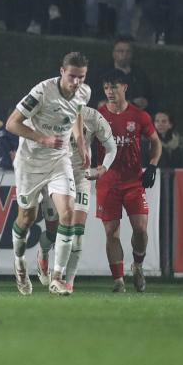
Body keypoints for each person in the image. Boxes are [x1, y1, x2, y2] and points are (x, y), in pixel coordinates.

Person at [5, 51, 91, 296]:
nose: (76, 82)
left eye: (81, 77)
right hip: (30, 163)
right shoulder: (41, 92)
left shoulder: (84, 91)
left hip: (58, 160)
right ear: (62, 71)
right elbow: (12, 123)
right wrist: (42, 138)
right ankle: (20, 262)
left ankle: (57, 278)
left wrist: (81, 142)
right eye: (72, 76)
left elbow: (76, 111)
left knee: (67, 213)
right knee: (27, 219)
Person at [35, 106, 117, 292]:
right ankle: (44, 251)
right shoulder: (51, 111)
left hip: (81, 178)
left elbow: (111, 147)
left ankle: (67, 282)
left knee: (77, 236)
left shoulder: (93, 117)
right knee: (53, 233)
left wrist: (102, 169)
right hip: (54, 176)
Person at [96, 70, 162, 293]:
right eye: (106, 87)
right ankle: (118, 281)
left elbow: (156, 142)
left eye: (114, 87)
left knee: (141, 229)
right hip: (107, 181)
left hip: (133, 181)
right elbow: (82, 139)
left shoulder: (139, 116)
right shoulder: (98, 115)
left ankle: (139, 265)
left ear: (124, 87)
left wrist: (152, 165)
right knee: (111, 232)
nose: (110, 92)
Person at [90, 38, 153, 111]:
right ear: (114, 54)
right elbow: (94, 98)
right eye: (120, 51)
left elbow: (148, 97)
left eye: (128, 51)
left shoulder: (139, 74)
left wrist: (144, 102)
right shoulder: (102, 73)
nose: (124, 54)